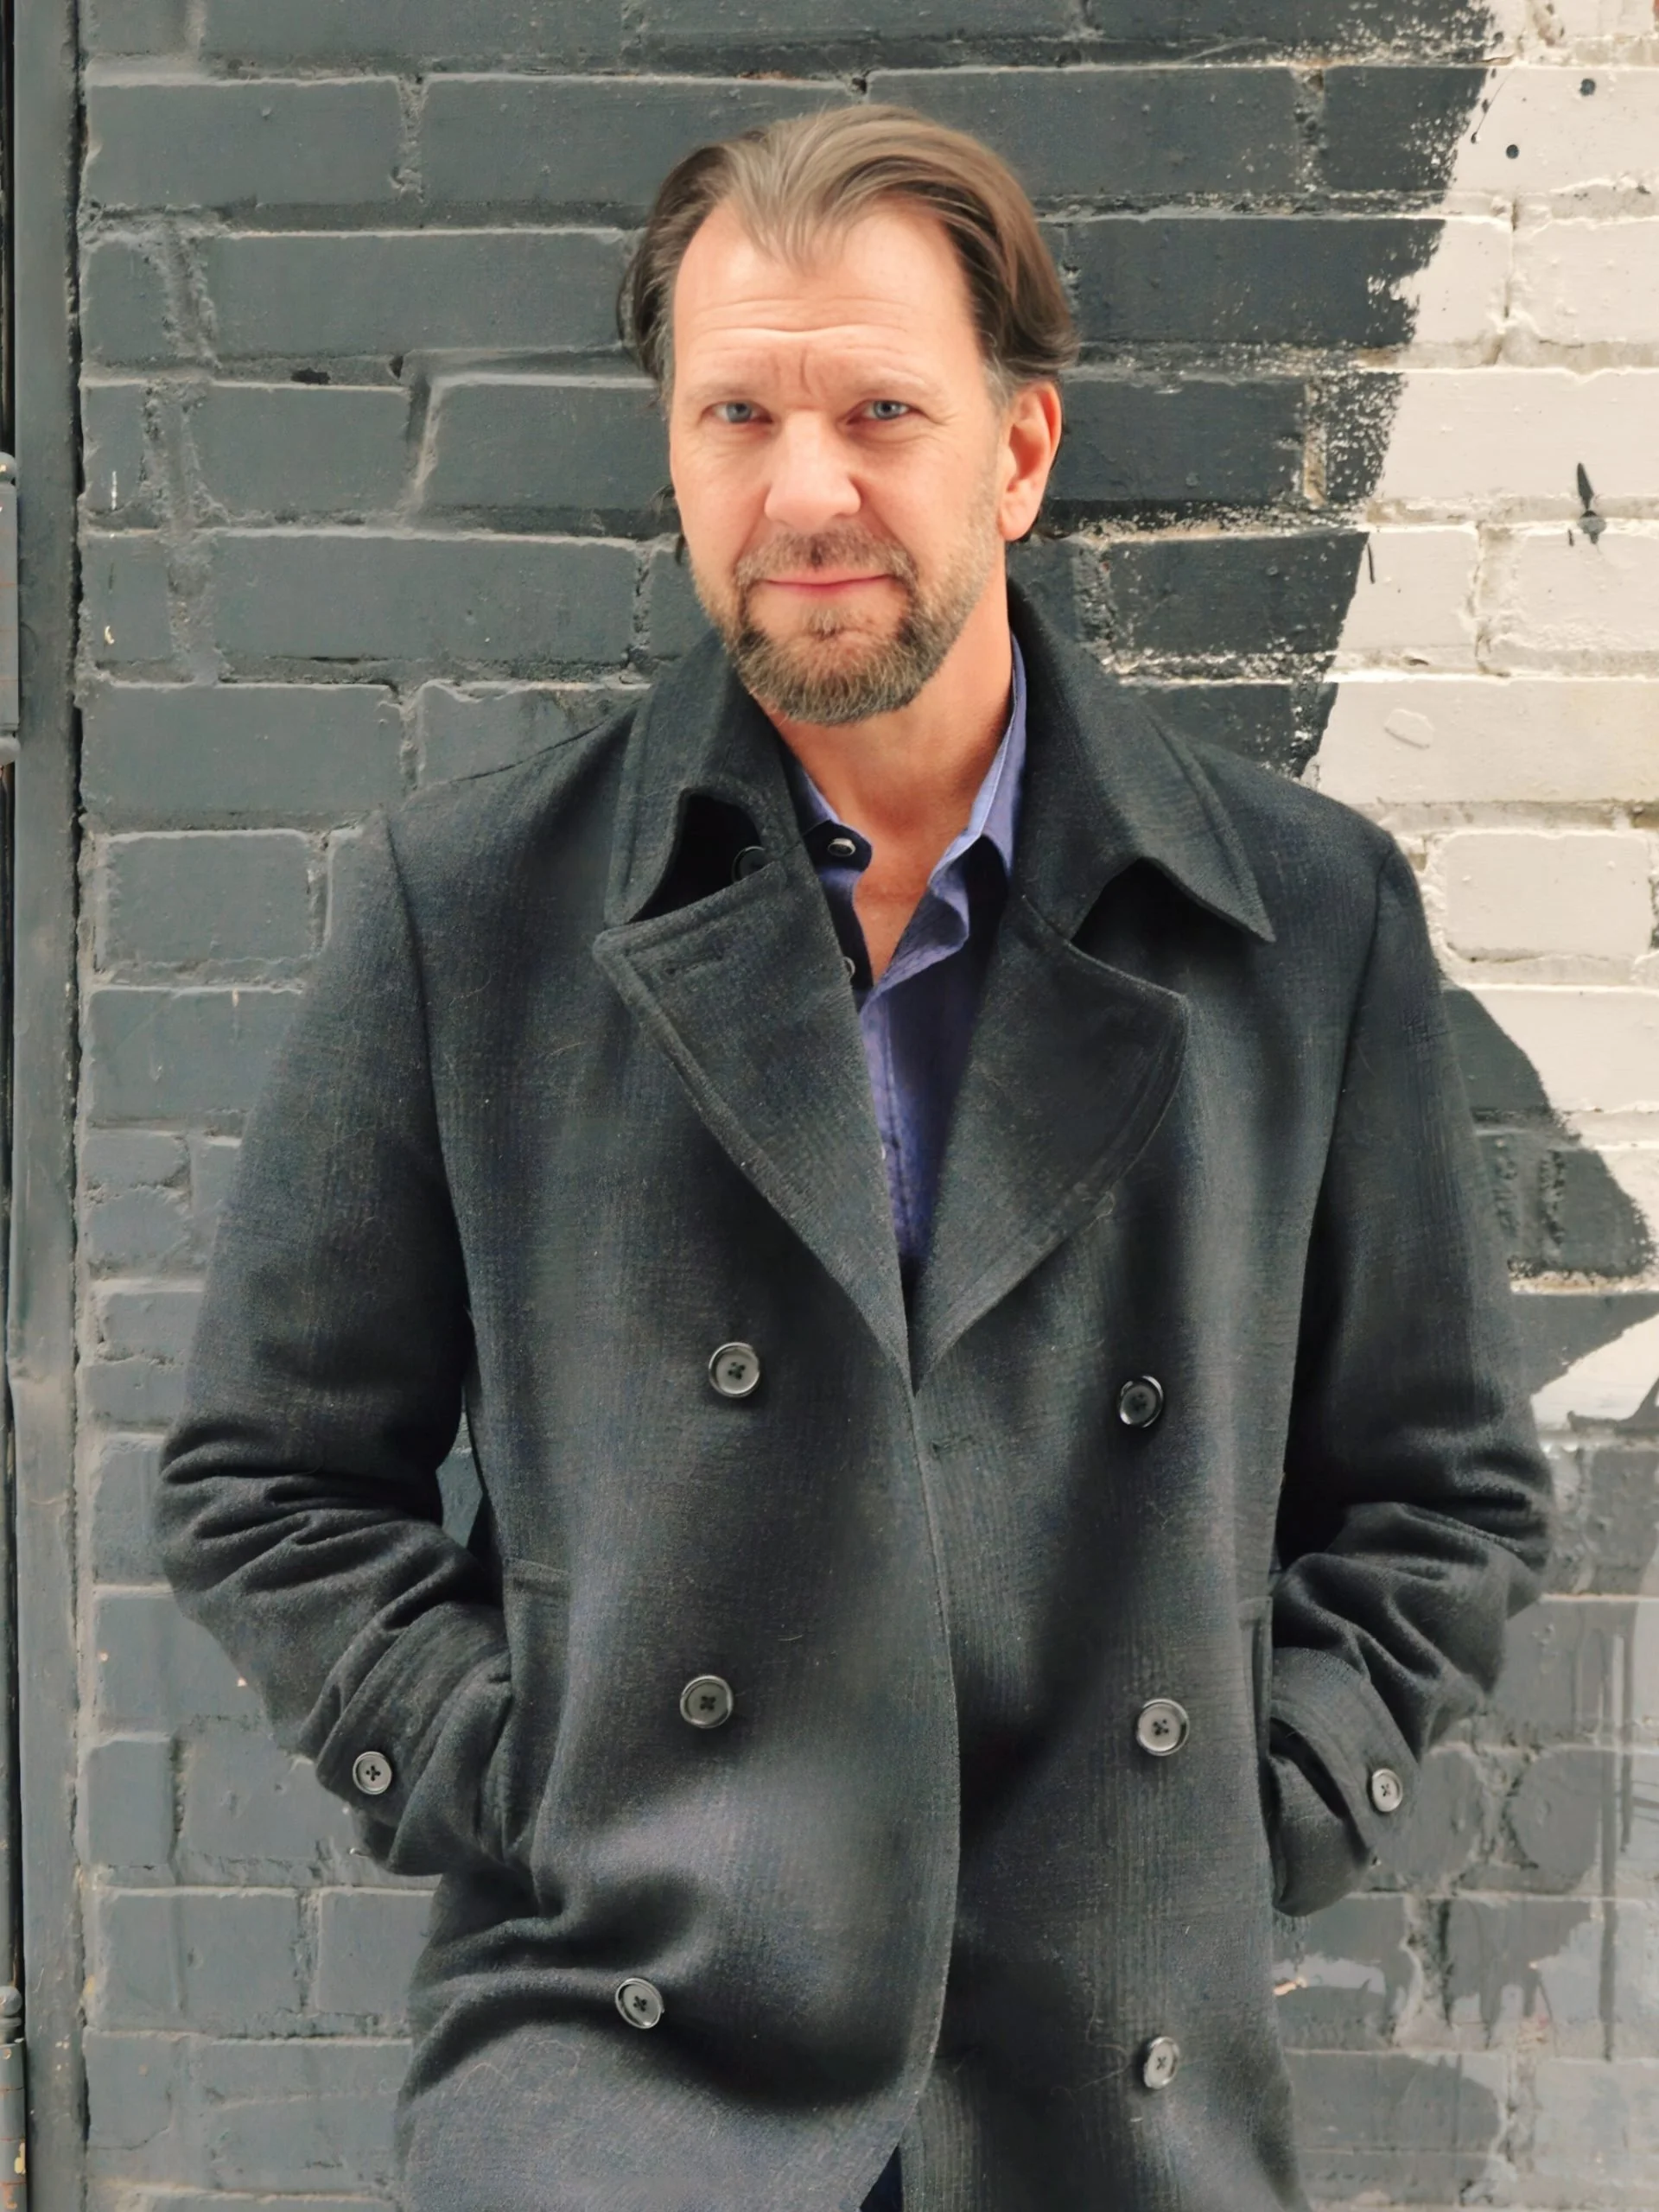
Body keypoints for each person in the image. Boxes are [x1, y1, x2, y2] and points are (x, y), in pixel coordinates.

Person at [157, 105, 1554, 2212]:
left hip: (1113, 2097)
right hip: (624, 2078)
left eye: (880, 410)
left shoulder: (1303, 923)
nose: (806, 488)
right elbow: (263, 1477)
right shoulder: (481, 910)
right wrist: (529, 1772)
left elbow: (1444, 1486)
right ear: (676, 454)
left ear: (1017, 451)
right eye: (738, 412)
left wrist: (1249, 1810)